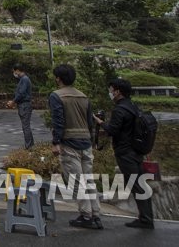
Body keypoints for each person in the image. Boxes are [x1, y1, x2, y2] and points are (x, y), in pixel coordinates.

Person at [95, 78, 154, 229]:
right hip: (136, 150)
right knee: (141, 184)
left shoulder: (120, 109)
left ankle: (146, 219)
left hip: (125, 152)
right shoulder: (133, 106)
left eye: (111, 90)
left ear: (118, 91)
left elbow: (113, 130)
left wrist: (100, 122)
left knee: (136, 185)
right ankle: (146, 216)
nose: (110, 93)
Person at [48, 63, 102, 230]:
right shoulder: (83, 96)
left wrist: (56, 142)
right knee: (88, 179)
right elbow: (89, 122)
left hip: (69, 143)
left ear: (58, 78)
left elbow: (58, 121)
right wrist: (92, 141)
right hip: (85, 142)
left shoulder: (56, 96)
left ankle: (86, 215)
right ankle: (96, 214)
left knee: (77, 181)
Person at [7, 65, 34, 149]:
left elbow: (21, 93)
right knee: (26, 126)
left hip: (24, 105)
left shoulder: (24, 79)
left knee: (25, 126)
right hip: (23, 105)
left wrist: (13, 102)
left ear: (18, 70)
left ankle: (29, 146)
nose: (14, 73)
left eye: (14, 71)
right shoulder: (23, 79)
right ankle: (30, 145)